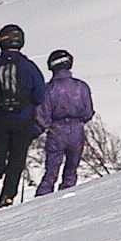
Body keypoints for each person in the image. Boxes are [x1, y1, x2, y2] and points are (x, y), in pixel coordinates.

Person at [0, 24, 46, 213]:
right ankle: (7, 198)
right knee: (17, 160)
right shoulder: (29, 67)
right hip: (23, 121)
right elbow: (40, 96)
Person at [35, 50, 94, 196]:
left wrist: (44, 126)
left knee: (51, 171)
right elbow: (88, 112)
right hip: (77, 131)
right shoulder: (82, 87)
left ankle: (42, 199)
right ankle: (66, 199)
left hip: (56, 131)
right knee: (71, 170)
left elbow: (42, 115)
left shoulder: (48, 89)